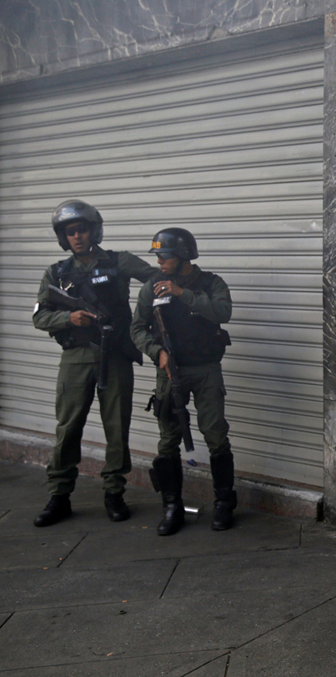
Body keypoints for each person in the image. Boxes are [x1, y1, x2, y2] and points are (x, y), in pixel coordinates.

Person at [31, 199, 155, 527]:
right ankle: (59, 495)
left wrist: (139, 321)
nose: (77, 237)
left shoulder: (118, 261)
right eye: (70, 232)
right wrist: (68, 317)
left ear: (94, 230)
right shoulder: (57, 273)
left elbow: (157, 283)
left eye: (81, 230)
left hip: (113, 357)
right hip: (75, 359)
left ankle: (114, 492)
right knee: (68, 427)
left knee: (116, 427)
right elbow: (39, 316)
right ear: (63, 237)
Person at [130, 228, 234, 536]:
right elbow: (137, 329)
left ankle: (224, 503)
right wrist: (156, 351)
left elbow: (222, 312)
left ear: (183, 256)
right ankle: (172, 506)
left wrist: (180, 293)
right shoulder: (151, 287)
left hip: (205, 369)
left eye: (165, 256)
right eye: (158, 256)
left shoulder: (210, 283)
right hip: (169, 371)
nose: (159, 261)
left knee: (215, 434)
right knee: (168, 440)